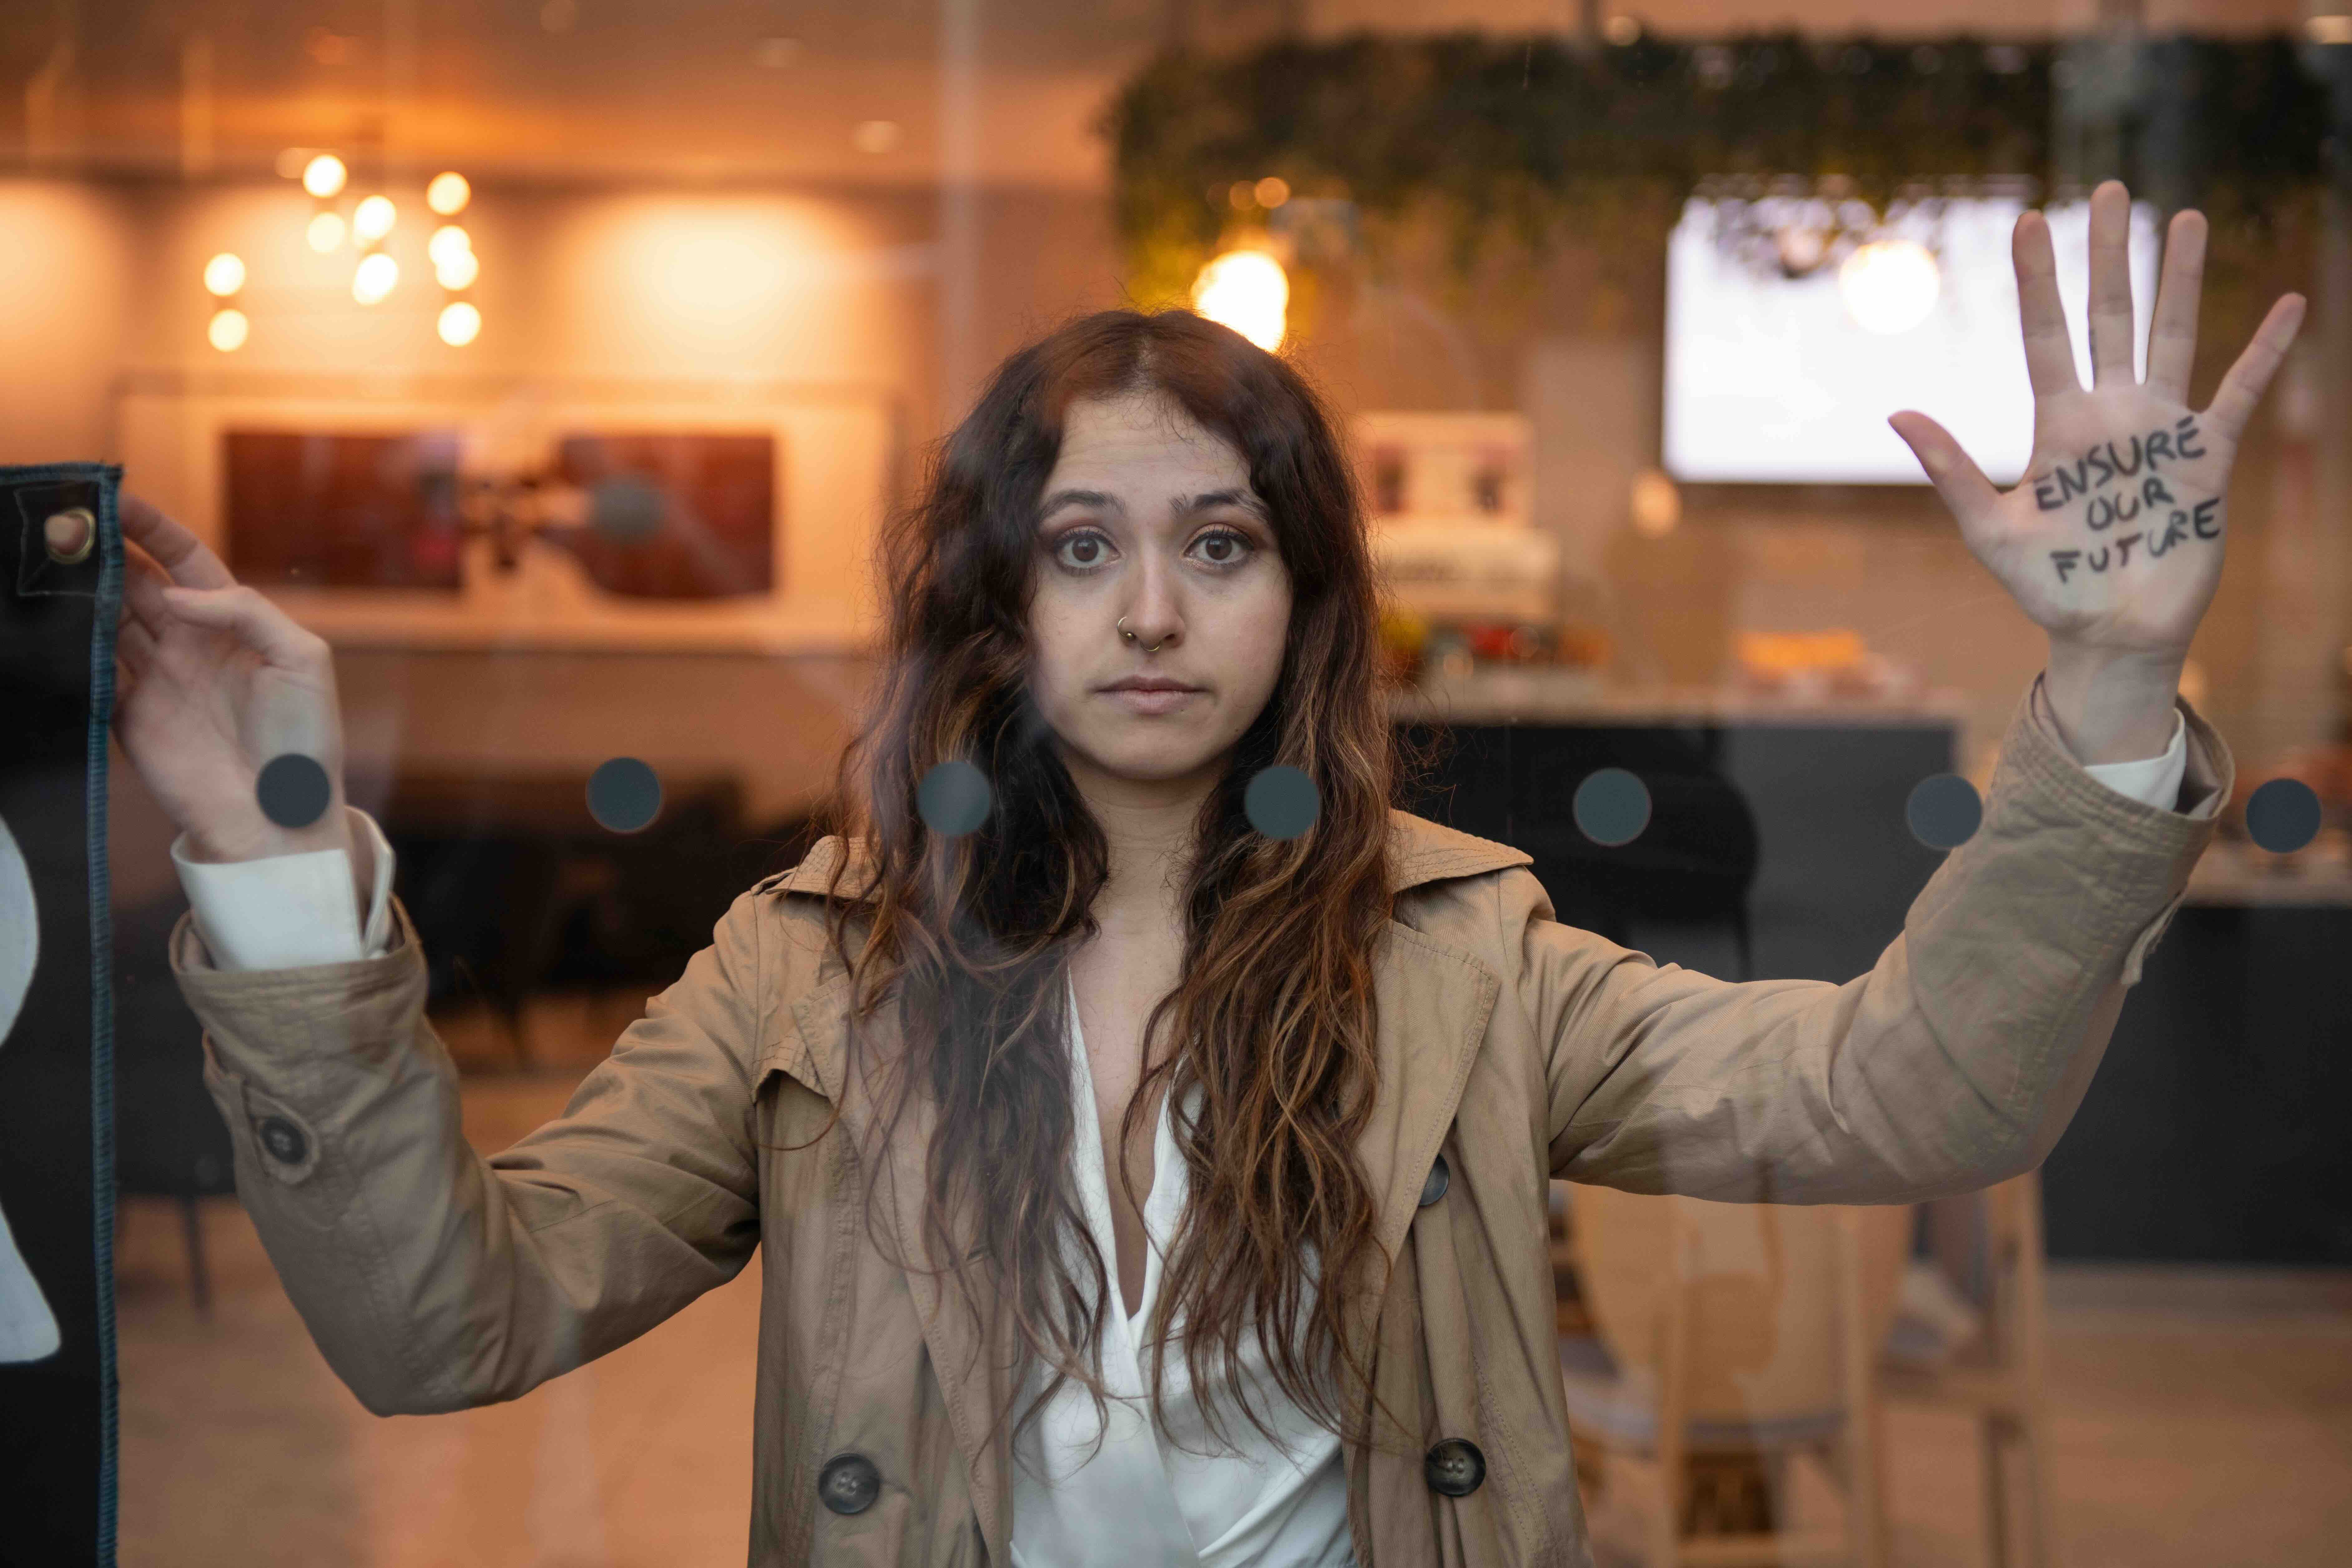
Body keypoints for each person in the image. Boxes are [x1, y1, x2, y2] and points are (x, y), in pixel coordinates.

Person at [109, 181, 2299, 1567]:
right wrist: (268, 855)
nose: (1152, 614)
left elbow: (1912, 1101)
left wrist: (2112, 678)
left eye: (1220, 547)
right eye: (1083, 550)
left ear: (1302, 606)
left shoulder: (1467, 959)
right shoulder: (815, 977)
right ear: (1000, 607)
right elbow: (440, 1326)